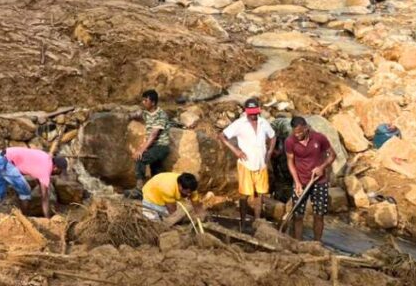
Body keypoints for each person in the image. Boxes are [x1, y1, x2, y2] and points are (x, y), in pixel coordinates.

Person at [218, 97, 275, 229]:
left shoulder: (263, 122)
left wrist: (270, 152)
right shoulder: (239, 123)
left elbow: (273, 136)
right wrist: (236, 150)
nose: (254, 115)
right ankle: (242, 223)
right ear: (246, 112)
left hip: (261, 163)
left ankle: (257, 221)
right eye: (252, 113)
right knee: (244, 194)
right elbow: (222, 136)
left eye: (256, 112)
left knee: (260, 193)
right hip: (246, 164)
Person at [285, 116, 337, 241]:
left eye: (300, 132)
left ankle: (316, 244)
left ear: (306, 128)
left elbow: (332, 155)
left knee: (319, 215)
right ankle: (298, 243)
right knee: (298, 215)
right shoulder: (290, 141)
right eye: (295, 132)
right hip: (301, 181)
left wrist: (322, 167)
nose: (297, 135)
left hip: (319, 181)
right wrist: (296, 182)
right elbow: (290, 162)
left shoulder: (319, 138)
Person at [0, 147, 68, 217]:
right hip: (7, 162)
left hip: (0, 157)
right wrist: (48, 219)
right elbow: (44, 198)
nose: (57, 174)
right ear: (56, 167)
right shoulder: (45, 170)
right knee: (26, 193)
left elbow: (36, 173)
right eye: (59, 172)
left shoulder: (46, 157)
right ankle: (23, 219)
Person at [128, 89, 171, 194]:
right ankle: (160, 192)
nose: (143, 103)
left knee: (140, 158)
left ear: (153, 102)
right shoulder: (147, 113)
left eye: (146, 101)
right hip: (154, 147)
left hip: (161, 147)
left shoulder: (160, 115)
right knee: (156, 171)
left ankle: (139, 189)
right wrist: (128, 116)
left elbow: (153, 136)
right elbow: (138, 114)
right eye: (143, 100)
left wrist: (140, 150)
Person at [141, 172, 206, 227]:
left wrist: (202, 215)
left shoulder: (190, 187)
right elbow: (173, 212)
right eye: (187, 192)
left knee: (176, 215)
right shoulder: (168, 188)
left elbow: (196, 204)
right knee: (154, 225)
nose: (189, 195)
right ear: (180, 186)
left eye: (190, 192)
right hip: (151, 197)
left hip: (165, 198)